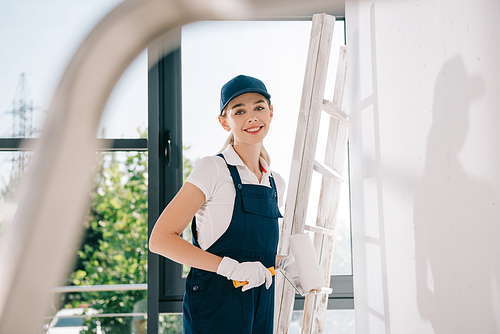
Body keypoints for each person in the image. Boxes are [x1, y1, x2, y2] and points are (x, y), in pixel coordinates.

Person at [149, 74, 286, 334]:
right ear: (225, 123)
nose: (252, 117)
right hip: (216, 305)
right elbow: (160, 239)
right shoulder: (213, 168)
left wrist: (282, 262)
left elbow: (253, 252)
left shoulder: (275, 182)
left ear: (271, 112)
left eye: (259, 107)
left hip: (262, 304)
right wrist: (230, 268)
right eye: (239, 111)